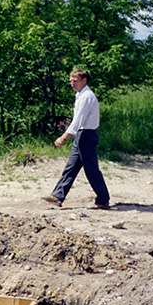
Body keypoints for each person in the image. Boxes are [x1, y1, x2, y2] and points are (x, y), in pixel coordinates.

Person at [42, 69, 110, 209]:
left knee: (91, 170)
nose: (72, 84)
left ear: (84, 81)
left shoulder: (86, 97)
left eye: (75, 81)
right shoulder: (80, 95)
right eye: (71, 81)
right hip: (81, 135)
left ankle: (103, 199)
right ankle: (57, 196)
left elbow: (78, 120)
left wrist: (64, 137)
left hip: (86, 135)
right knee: (71, 167)